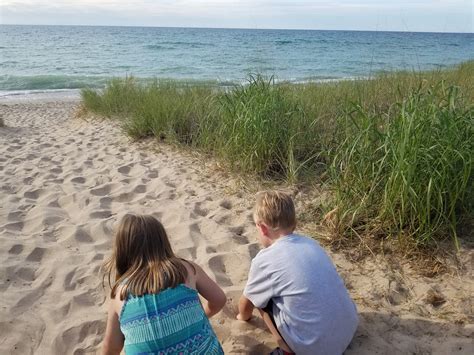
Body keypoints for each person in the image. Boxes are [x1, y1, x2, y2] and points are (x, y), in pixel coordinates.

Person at [236, 191, 358, 355]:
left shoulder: (264, 260)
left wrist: (241, 317)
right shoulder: (312, 243)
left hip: (314, 348)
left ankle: (285, 349)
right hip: (348, 328)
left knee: (261, 299)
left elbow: (246, 306)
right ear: (294, 223)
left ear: (263, 228)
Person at [101, 214, 226, 355]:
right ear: (163, 242)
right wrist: (203, 315)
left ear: (122, 250)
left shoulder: (120, 294)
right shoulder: (187, 269)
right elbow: (219, 300)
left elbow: (110, 348)